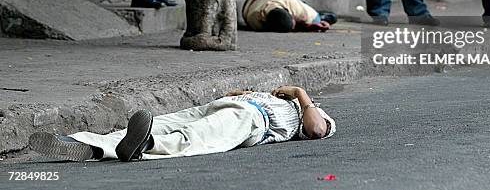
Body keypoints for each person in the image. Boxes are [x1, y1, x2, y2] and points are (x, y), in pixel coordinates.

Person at [28, 85, 336, 162]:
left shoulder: (313, 112)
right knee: (160, 121)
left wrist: (300, 95)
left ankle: (146, 146)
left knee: (196, 136)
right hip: (231, 105)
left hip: (254, 121)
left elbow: (317, 129)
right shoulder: (278, 98)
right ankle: (89, 143)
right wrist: (245, 92)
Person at [242, 0, 337, 32]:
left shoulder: (288, 2)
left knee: (316, 18)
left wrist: (312, 22)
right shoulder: (256, 23)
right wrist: (307, 26)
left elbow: (311, 19)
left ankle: (308, 8)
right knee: (325, 18)